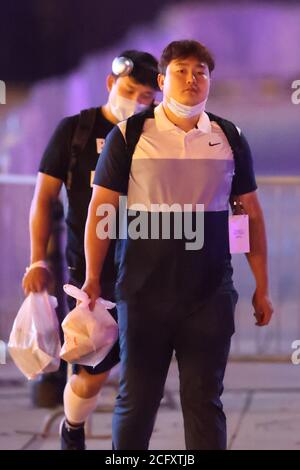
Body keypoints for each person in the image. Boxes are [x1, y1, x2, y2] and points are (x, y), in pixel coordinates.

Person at [82, 39, 274, 450]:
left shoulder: (229, 136)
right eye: (181, 71)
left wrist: (262, 286)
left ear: (210, 81)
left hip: (209, 296)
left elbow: (251, 214)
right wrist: (92, 279)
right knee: (137, 402)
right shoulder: (129, 135)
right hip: (143, 295)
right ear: (162, 79)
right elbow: (101, 211)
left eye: (201, 72)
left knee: (205, 402)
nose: (191, 79)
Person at [22, 50, 159, 450]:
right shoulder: (75, 131)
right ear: (110, 83)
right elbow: (43, 198)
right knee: (90, 371)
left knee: (142, 372)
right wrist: (36, 259)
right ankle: (73, 428)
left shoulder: (155, 133)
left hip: (149, 268)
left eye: (146, 95)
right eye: (129, 90)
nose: (135, 100)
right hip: (90, 275)